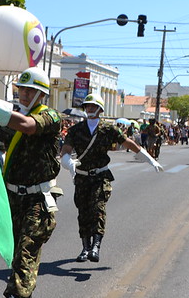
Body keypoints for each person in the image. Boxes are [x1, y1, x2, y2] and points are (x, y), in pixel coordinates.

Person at [0, 67, 62, 298]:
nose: (24, 94)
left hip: (38, 201)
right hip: (12, 199)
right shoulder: (12, 119)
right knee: (19, 258)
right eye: (21, 89)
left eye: (29, 90)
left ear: (41, 93)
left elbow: (28, 126)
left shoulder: (50, 116)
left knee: (25, 254)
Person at [60, 93, 163, 263]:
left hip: (100, 176)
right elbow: (66, 149)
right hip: (82, 177)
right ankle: (85, 248)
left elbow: (128, 143)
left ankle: (96, 246)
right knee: (83, 212)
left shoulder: (108, 129)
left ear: (100, 109)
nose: (90, 109)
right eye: (87, 106)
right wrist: (67, 162)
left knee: (98, 209)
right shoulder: (76, 130)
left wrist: (148, 158)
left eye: (93, 106)